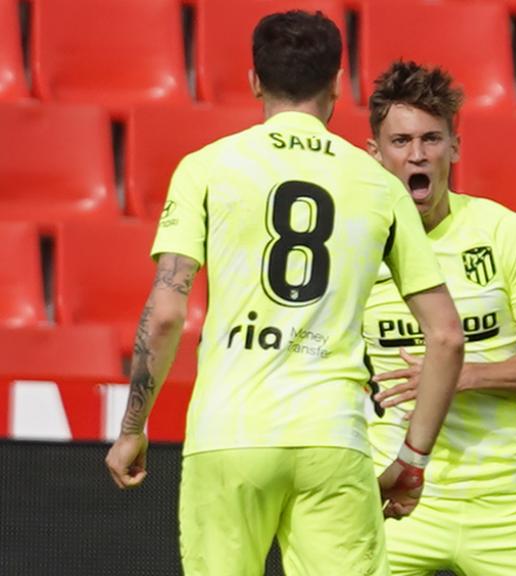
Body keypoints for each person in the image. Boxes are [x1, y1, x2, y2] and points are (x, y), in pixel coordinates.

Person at [104, 12, 464, 575]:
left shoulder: (206, 168)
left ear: (254, 80)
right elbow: (444, 334)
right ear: (338, 84)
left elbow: (168, 313)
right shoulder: (377, 183)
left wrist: (132, 430)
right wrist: (411, 462)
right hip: (333, 438)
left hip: (230, 434)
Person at [360, 60, 516, 576]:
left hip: (505, 495)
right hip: (390, 493)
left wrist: (457, 374)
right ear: (374, 154)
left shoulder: (507, 233)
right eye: (400, 142)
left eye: (432, 139)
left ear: (455, 147)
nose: (418, 155)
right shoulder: (353, 250)